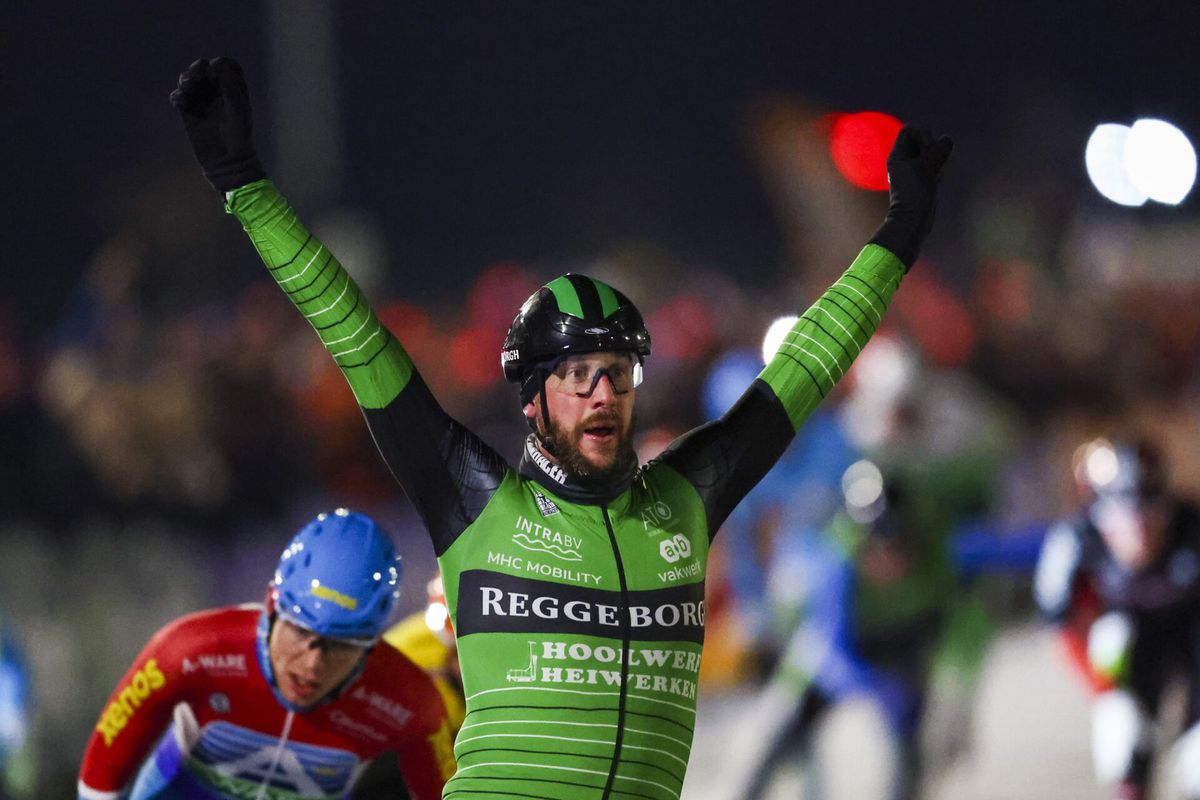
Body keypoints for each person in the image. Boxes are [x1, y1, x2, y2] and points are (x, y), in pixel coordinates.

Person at [170, 56, 952, 800]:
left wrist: (898, 238)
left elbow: (807, 364)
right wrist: (245, 186)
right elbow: (352, 333)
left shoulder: (686, 495)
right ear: (532, 399)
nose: (602, 393)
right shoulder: (472, 498)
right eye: (575, 377)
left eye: (618, 371)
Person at [78, 509, 455, 800]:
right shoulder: (189, 650)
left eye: (343, 645)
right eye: (301, 631)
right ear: (272, 605)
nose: (312, 665)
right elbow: (100, 777)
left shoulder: (413, 699)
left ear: (372, 644)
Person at [1034, 438, 1200, 800]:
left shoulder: (1192, 530)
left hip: (1191, 632)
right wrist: (1104, 691)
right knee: (1122, 726)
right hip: (1128, 641)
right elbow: (1059, 627)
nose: (1138, 530)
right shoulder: (1075, 541)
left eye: (1150, 514)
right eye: (1124, 517)